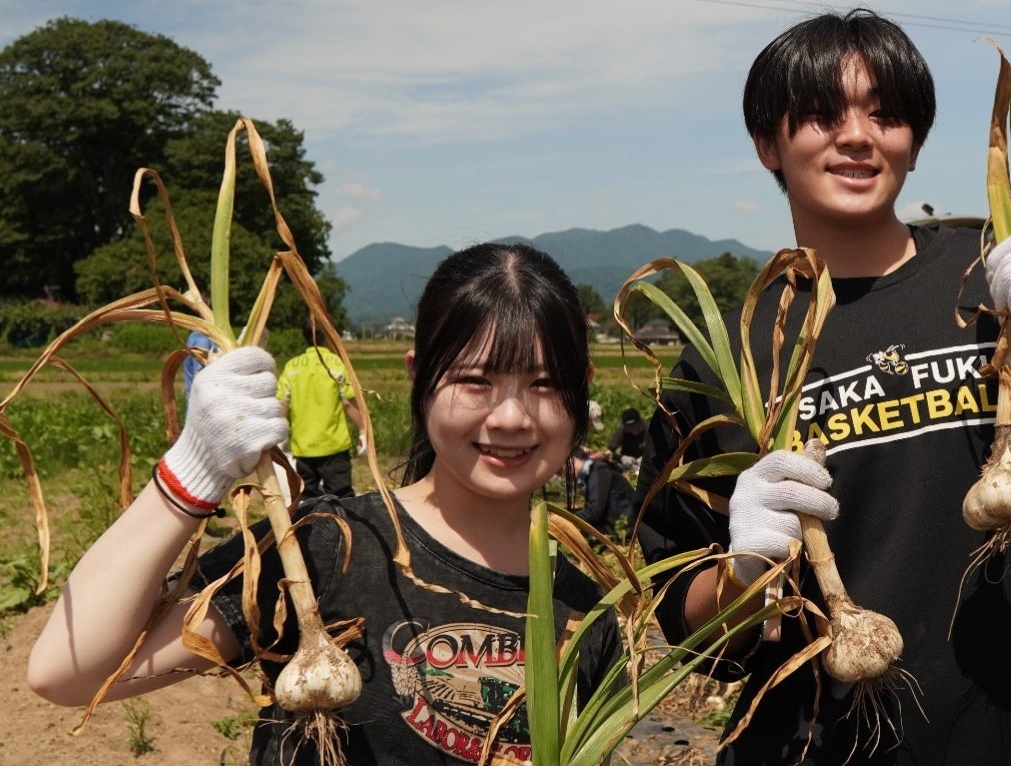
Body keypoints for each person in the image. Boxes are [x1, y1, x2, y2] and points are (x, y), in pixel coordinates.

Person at [635, 9, 1011, 765]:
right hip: (825, 743)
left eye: (886, 115)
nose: (858, 136)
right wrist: (745, 569)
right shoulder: (721, 355)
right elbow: (688, 625)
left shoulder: (1009, 282)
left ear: (915, 142)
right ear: (767, 143)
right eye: (823, 116)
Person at [28, 243, 621, 765]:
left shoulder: (590, 606)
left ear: (583, 386)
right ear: (419, 377)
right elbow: (68, 672)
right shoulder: (324, 548)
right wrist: (192, 472)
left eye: (545, 384)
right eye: (475, 381)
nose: (513, 416)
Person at [277, 322, 363, 501]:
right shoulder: (335, 363)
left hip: (303, 447)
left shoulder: (292, 365)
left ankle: (314, 529)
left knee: (307, 499)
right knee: (341, 498)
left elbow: (282, 403)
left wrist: (278, 435)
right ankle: (340, 528)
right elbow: (347, 403)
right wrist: (364, 430)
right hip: (334, 446)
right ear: (328, 337)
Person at [571, 445, 637, 538]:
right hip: (621, 525)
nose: (563, 471)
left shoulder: (598, 472)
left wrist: (565, 517)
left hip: (624, 528)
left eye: (564, 466)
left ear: (574, 458)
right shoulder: (593, 473)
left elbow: (594, 512)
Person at [607, 406, 651, 473]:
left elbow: (659, 447)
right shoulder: (622, 432)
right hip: (628, 465)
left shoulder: (649, 429)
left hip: (647, 463)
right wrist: (621, 458)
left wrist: (646, 457)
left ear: (640, 421)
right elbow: (608, 452)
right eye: (629, 427)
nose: (632, 429)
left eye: (634, 425)